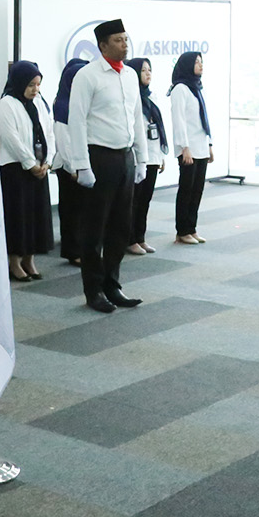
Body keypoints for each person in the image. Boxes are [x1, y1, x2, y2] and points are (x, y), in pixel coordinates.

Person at [66, 20, 149, 314]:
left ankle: (113, 284)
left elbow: (136, 117)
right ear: (102, 45)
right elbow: (75, 121)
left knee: (120, 227)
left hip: (124, 157)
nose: (124, 44)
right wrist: (81, 165)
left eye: (126, 39)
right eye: (117, 40)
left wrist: (141, 157)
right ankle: (93, 289)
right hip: (99, 157)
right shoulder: (87, 76)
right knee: (95, 227)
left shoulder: (128, 75)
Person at [0, 60, 54, 281]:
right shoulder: (6, 104)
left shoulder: (39, 102)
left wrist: (47, 161)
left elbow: (49, 131)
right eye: (30, 85)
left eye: (38, 84)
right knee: (18, 216)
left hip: (39, 169)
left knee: (36, 216)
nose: (35, 89)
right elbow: (12, 139)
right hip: (16, 170)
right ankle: (14, 261)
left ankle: (30, 259)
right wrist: (30, 163)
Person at [169, 51, 213, 244]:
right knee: (186, 189)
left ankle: (192, 228)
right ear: (187, 65)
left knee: (197, 190)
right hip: (188, 148)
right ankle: (182, 231)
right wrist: (184, 147)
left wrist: (209, 144)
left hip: (201, 146)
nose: (200, 65)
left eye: (201, 62)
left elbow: (202, 119)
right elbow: (179, 120)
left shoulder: (196, 88)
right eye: (196, 62)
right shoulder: (180, 89)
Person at [126, 57, 167, 255]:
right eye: (143, 70)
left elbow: (157, 129)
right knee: (133, 201)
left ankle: (140, 237)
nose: (148, 73)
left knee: (145, 200)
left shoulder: (151, 98)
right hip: (136, 158)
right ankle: (130, 239)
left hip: (152, 157)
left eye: (149, 70)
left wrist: (160, 156)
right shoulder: (130, 98)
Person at [51, 59, 90, 266]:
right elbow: (63, 141)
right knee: (72, 211)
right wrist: (74, 167)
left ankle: (82, 248)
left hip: (83, 165)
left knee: (84, 210)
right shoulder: (63, 104)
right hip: (69, 167)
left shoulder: (81, 103)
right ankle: (72, 250)